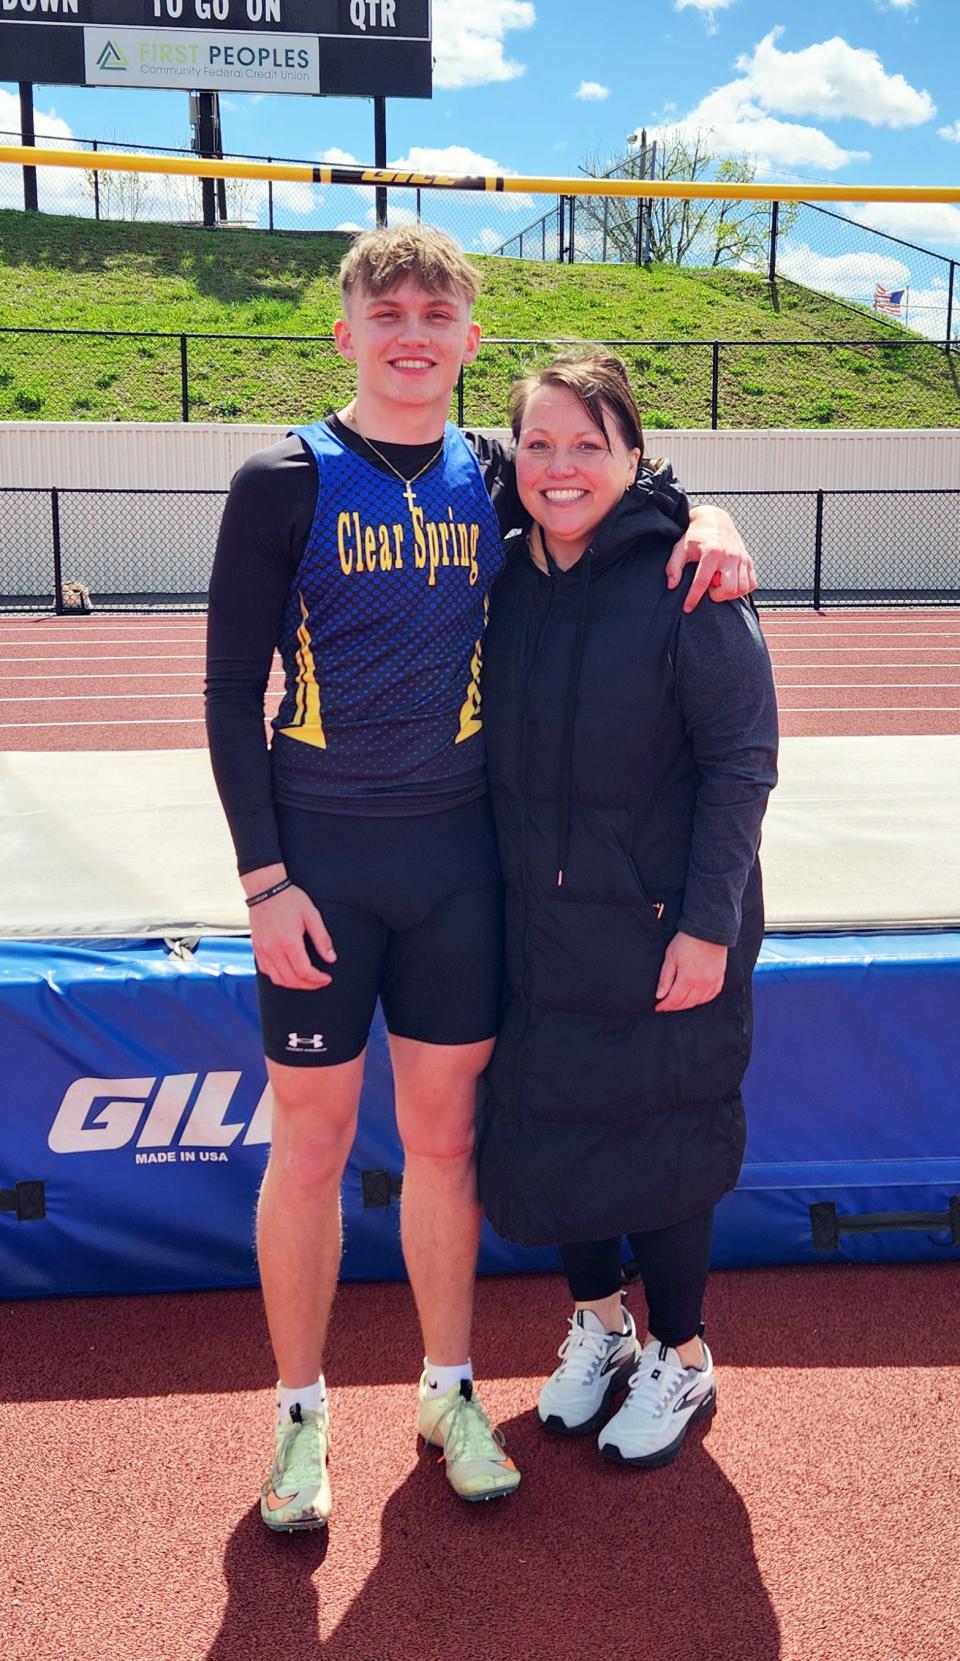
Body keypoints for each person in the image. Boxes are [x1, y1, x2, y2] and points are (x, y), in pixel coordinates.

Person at [204, 226, 759, 1532]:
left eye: (438, 311)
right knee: (313, 1148)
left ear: (468, 338)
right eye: (385, 308)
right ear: (346, 331)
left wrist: (713, 510)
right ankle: (298, 1415)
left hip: (462, 872)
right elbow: (231, 694)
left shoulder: (498, 472)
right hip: (322, 871)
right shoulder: (280, 479)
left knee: (449, 1144)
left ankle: (449, 1389)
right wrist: (264, 880)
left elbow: (623, 475)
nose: (412, 329)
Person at [476, 348, 778, 1470]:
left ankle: (683, 1351)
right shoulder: (501, 572)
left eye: (589, 444)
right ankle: (602, 1325)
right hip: (540, 923)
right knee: (560, 1129)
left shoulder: (690, 580)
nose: (562, 467)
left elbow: (743, 763)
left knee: (666, 1137)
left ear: (634, 454)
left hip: (665, 929)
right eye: (539, 443)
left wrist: (706, 922)